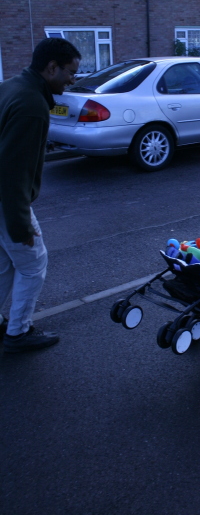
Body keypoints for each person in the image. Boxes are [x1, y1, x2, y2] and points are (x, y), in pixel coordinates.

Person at [0, 38, 81, 353]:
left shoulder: (10, 86)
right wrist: (20, 225)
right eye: (70, 72)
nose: (72, 79)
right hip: (6, 201)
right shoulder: (32, 106)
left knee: (5, 264)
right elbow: (13, 173)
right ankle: (18, 333)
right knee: (34, 264)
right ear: (51, 68)